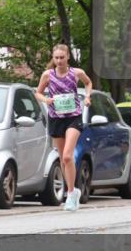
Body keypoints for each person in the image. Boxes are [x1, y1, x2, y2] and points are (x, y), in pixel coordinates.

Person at [35, 44, 93, 212]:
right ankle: (74, 191)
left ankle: (70, 194)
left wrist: (87, 97)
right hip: (56, 118)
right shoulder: (48, 75)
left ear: (68, 57)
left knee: (68, 156)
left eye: (62, 57)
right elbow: (37, 93)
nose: (59, 61)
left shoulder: (76, 73)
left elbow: (88, 83)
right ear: (53, 58)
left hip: (73, 117)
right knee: (62, 159)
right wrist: (45, 100)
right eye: (56, 58)